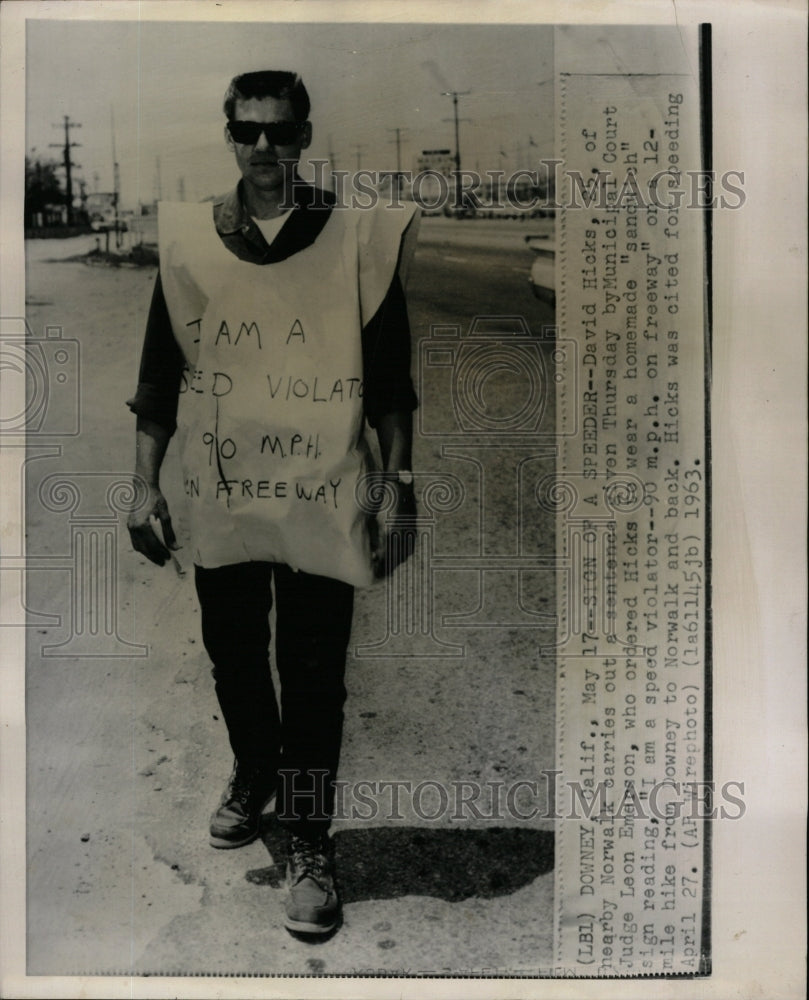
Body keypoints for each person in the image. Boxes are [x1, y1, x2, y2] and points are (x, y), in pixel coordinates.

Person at [127, 70, 419, 936]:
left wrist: (395, 485)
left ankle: (309, 842)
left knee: (316, 673)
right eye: (248, 132)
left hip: (321, 499)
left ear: (304, 136)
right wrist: (144, 483)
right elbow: (156, 378)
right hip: (224, 497)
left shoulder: (354, 239)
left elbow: (392, 382)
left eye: (281, 133)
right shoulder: (188, 242)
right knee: (234, 655)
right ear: (229, 135)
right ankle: (255, 771)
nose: (265, 149)